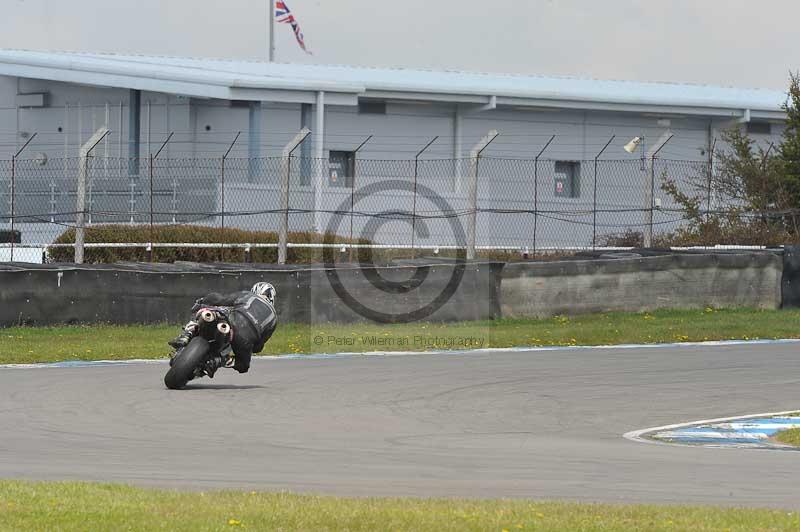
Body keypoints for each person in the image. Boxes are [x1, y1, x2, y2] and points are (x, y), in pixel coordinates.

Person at [169, 282, 278, 377]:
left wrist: (202, 301)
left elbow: (221, 299)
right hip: (245, 340)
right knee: (243, 366)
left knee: (206, 310)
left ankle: (187, 333)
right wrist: (249, 347)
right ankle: (219, 361)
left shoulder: (248, 295)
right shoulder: (274, 319)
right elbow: (258, 346)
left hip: (231, 320)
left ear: (255, 290)